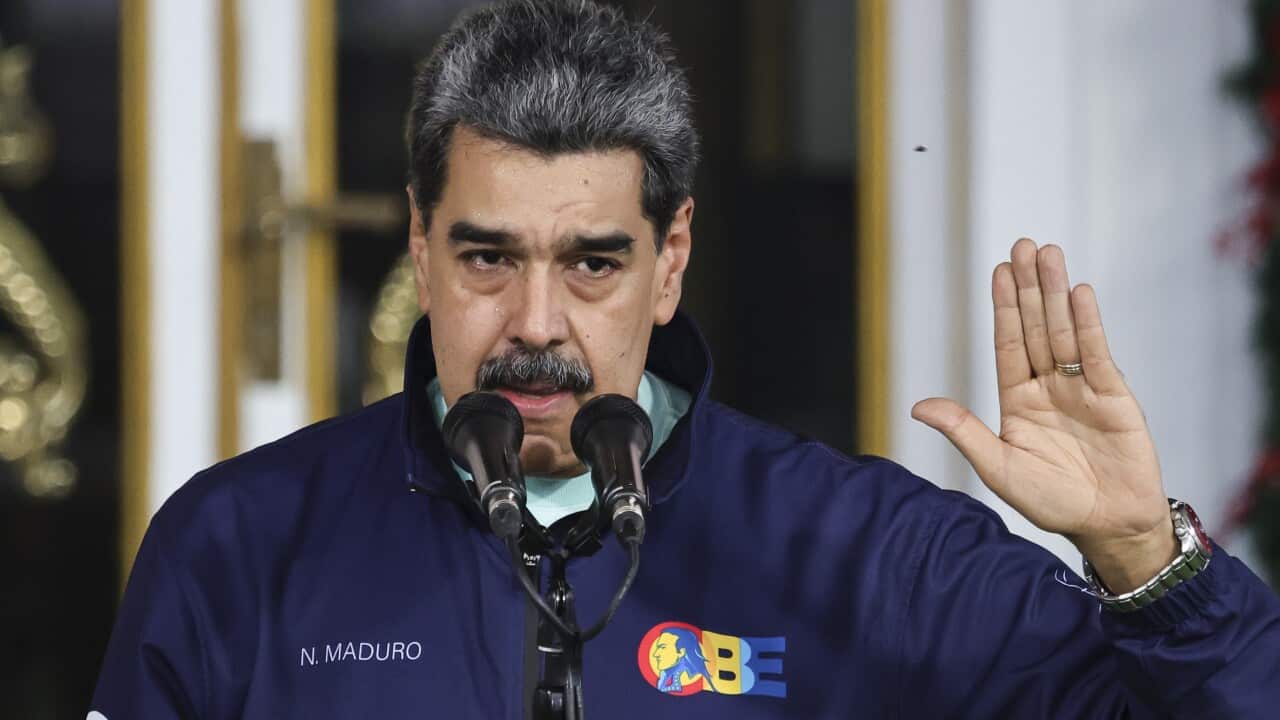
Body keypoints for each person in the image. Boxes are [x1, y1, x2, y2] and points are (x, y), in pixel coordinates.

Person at [91, 1, 1280, 717]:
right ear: (419, 243)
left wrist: (1145, 567)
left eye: (593, 263)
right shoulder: (241, 543)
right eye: (488, 259)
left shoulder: (861, 552)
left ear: (671, 261)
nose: (537, 324)